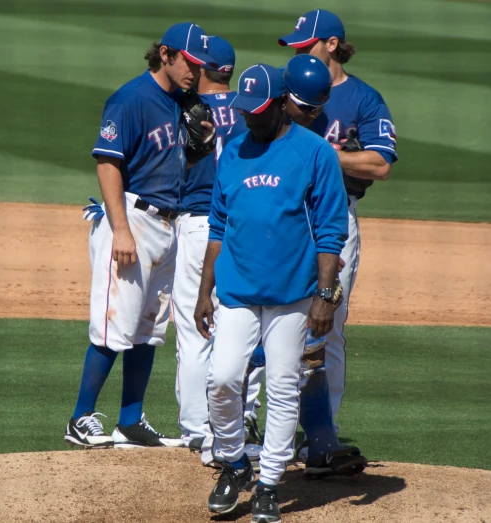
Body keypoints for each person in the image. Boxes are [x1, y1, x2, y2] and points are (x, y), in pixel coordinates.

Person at [195, 63, 348, 523]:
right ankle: (235, 462)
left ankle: (268, 484)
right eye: (246, 110)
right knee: (221, 379)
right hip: (238, 290)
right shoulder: (233, 151)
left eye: (259, 111)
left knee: (282, 385)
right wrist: (206, 291)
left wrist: (326, 295)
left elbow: (330, 232)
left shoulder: (314, 153)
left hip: (294, 295)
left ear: (282, 103)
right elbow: (218, 227)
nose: (250, 119)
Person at [63, 22, 216, 449]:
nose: (196, 71)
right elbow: (107, 163)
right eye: (189, 62)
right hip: (132, 219)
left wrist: (200, 147)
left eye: (202, 64)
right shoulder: (131, 99)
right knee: (114, 324)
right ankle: (79, 417)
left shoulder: (186, 103)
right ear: (165, 54)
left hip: (168, 224)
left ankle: (130, 418)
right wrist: (121, 230)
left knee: (150, 327)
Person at [278, 8, 398, 474]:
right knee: (272, 318)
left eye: (304, 45)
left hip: (334, 221)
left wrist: (327, 156)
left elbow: (381, 164)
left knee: (326, 328)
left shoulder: (364, 99)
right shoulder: (286, 92)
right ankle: (264, 430)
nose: (296, 54)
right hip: (284, 219)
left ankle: (319, 436)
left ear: (330, 44)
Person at [169, 35, 264, 466]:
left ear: (201, 66)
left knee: (194, 329)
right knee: (247, 321)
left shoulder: (185, 107)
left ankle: (196, 426)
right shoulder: (250, 110)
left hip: (196, 223)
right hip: (240, 227)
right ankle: (241, 419)